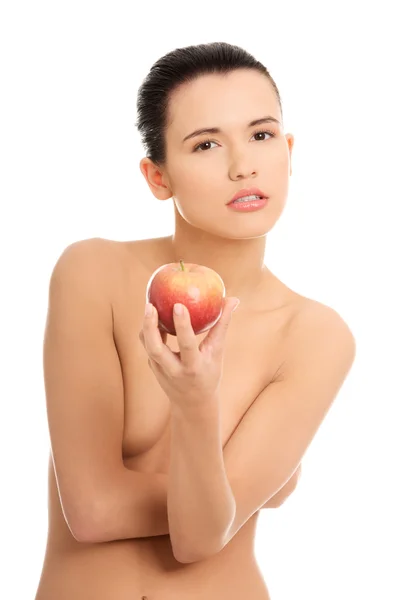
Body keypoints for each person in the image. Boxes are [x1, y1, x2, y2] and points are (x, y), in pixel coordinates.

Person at [35, 42, 356, 600]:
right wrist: (236, 491)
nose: (243, 165)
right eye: (206, 144)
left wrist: (195, 405)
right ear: (158, 177)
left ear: (287, 148)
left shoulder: (315, 335)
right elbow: (90, 510)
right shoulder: (93, 272)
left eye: (261, 134)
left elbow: (198, 540)